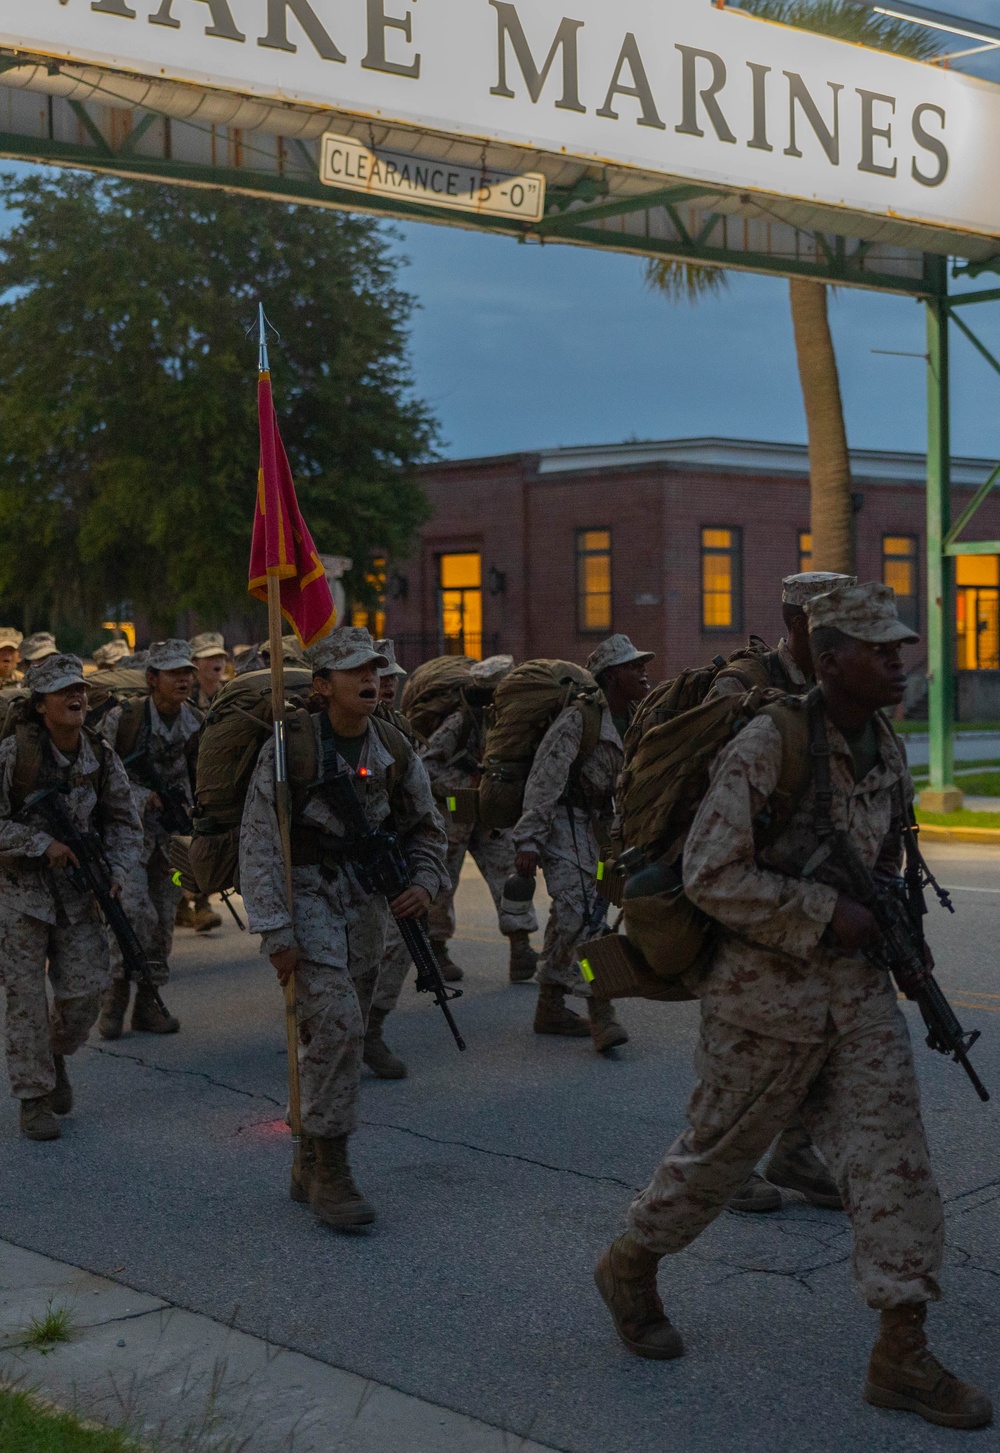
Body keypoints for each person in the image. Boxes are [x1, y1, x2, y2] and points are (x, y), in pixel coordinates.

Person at [594, 581, 992, 1432]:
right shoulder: (769, 744)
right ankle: (630, 1262)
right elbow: (710, 873)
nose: (897, 660)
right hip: (762, 1004)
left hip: (856, 1000)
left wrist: (891, 930)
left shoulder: (885, 745)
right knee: (713, 1162)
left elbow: (882, 860)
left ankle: (902, 1349)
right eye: (878, 648)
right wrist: (823, 914)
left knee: (896, 1161)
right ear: (830, 652)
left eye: (899, 647)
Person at [239, 627, 448, 1229]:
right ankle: (333, 1168)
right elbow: (259, 839)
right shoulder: (287, 747)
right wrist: (275, 929)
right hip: (306, 896)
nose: (370, 679)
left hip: (366, 905)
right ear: (322, 684)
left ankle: (306, 1157)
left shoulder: (391, 745)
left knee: (331, 1036)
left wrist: (425, 883)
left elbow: (427, 826)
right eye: (354, 670)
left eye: (375, 669)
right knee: (338, 1024)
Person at [708, 571, 855, 1215]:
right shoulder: (742, 687)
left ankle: (793, 1152)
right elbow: (715, 797)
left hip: (819, 891)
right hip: (750, 889)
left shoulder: (836, 682)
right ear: (797, 622)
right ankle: (720, 1166)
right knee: (743, 1040)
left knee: (818, 1030)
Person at [0, 654, 142, 1140]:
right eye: (63, 692)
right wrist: (42, 844)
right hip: (21, 892)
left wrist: (118, 872)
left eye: (79, 688)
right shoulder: (15, 756)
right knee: (24, 1001)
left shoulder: (99, 755)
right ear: (40, 705)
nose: (76, 697)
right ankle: (34, 1098)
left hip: (81, 891)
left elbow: (124, 821)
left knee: (83, 996)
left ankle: (56, 1054)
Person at [513, 634, 652, 1053]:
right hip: (560, 822)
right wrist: (529, 839)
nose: (642, 672)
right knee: (582, 915)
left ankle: (550, 1006)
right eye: (633, 667)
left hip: (598, 827)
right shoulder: (580, 719)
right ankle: (601, 1014)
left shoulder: (637, 718)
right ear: (611, 676)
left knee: (576, 915)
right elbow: (545, 777)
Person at [98, 639, 201, 1038]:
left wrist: (193, 814)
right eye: (175, 673)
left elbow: (202, 777)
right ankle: (115, 999)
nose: (185, 679)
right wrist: (144, 797)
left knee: (162, 922)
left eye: (187, 672)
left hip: (171, 843)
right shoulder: (123, 721)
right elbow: (100, 778)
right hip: (128, 839)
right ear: (152, 678)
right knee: (133, 913)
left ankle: (148, 1005)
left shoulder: (195, 723)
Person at [707, 571, 856, 701]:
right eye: (835, 622)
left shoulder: (831, 681)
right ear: (801, 624)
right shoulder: (741, 685)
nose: (846, 632)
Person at [189, 632, 229, 713]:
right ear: (195, 663)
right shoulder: (186, 696)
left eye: (221, 657)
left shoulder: (230, 693)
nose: (218, 661)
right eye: (210, 657)